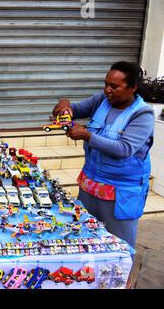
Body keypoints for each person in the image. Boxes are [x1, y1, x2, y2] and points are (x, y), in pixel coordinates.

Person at [53, 61, 155, 252]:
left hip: (119, 192)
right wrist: (64, 105)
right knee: (84, 235)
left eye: (114, 86)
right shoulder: (103, 100)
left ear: (133, 87)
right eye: (106, 84)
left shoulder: (143, 114)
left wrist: (87, 135)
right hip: (90, 185)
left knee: (117, 245)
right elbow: (76, 108)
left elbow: (124, 149)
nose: (108, 90)